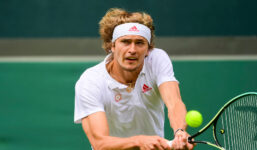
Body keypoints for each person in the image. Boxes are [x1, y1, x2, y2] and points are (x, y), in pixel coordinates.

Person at [74, 8, 194, 150]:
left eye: (139, 43)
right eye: (125, 42)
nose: (132, 50)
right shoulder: (90, 81)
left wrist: (179, 131)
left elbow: (174, 102)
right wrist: (138, 141)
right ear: (112, 46)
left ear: (148, 49)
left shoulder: (157, 59)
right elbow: (100, 143)